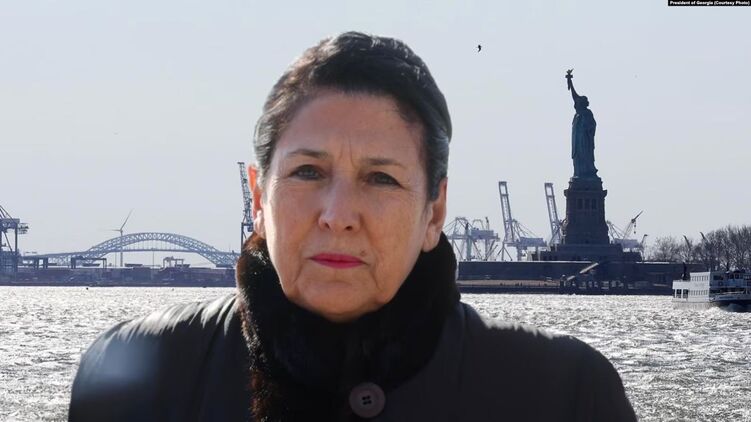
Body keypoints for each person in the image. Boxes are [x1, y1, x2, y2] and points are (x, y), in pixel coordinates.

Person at [69, 32, 637, 421]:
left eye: (380, 178)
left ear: (434, 211)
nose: (338, 215)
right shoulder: (137, 384)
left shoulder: (566, 398)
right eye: (308, 172)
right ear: (258, 197)